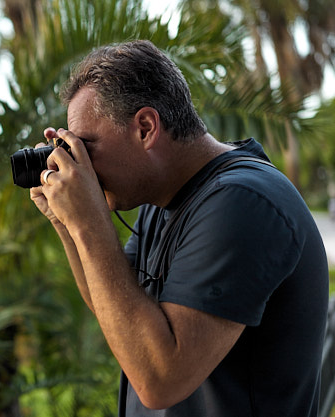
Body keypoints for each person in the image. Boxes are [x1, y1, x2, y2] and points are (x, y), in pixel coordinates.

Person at [30, 40, 329, 416]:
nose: (79, 165)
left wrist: (89, 225)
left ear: (145, 127)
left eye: (86, 147)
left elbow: (159, 379)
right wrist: (67, 223)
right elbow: (119, 310)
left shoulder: (242, 202)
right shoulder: (164, 200)